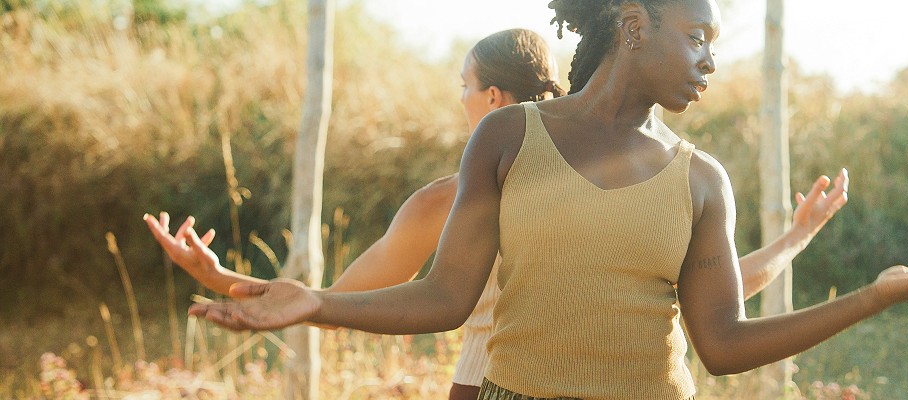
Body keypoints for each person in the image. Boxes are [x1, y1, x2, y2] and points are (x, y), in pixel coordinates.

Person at [149, 26, 850, 400]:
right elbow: (329, 301)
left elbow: (701, 301)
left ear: (492, 99)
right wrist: (229, 285)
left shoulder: (458, 191)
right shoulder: (481, 181)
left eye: (464, 86)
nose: (458, 100)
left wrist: (796, 235)